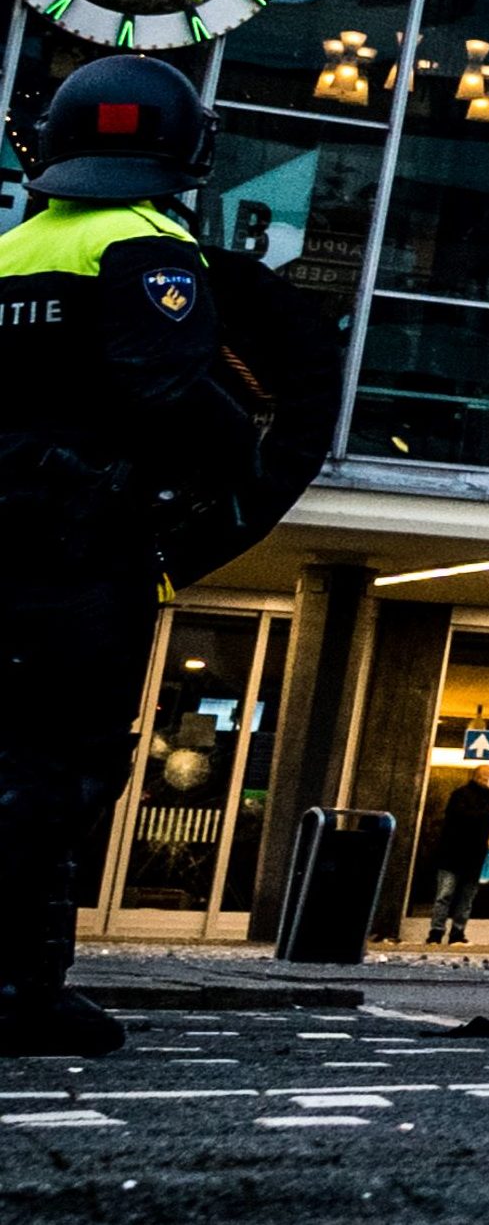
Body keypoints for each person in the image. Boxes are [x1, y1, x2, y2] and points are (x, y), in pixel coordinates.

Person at [0, 55, 317, 1057]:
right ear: (187, 153)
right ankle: (20, 985)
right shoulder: (146, 246)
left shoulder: (12, 248)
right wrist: (241, 458)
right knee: (58, 766)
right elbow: (169, 392)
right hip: (78, 553)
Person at [412, 771, 489, 945]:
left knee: (466, 897)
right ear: (481, 777)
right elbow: (462, 818)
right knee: (445, 894)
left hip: (475, 856)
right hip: (453, 854)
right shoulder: (461, 795)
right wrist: (488, 816)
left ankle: (457, 932)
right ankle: (436, 932)